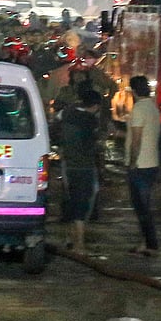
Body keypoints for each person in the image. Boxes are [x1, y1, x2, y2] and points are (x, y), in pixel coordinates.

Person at [55, 87, 101, 253]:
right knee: (84, 203)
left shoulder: (66, 114)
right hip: (85, 167)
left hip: (68, 165)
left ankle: (71, 238)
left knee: (72, 200)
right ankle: (79, 244)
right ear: (95, 106)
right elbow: (90, 146)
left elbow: (55, 131)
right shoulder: (89, 121)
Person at [126, 75, 161, 256]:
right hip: (152, 162)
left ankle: (151, 244)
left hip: (141, 165)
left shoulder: (139, 109)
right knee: (144, 205)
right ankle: (144, 242)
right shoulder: (153, 108)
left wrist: (132, 162)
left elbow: (137, 140)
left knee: (142, 207)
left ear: (133, 91)